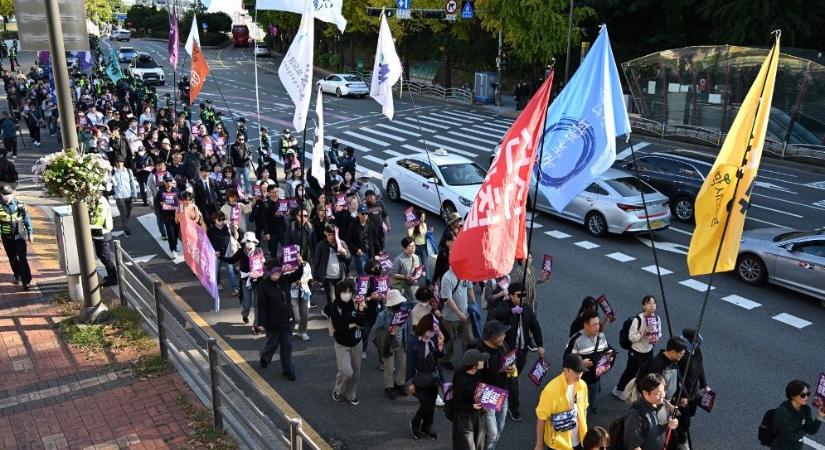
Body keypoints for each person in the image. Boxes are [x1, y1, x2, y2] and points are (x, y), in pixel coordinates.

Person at [491, 282, 545, 422]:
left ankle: (503, 388)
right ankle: (513, 409)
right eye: (519, 296)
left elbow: (535, 326)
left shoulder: (526, 309)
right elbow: (495, 315)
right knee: (513, 380)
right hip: (508, 352)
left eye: (524, 295)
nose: (522, 298)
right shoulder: (505, 307)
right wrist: (511, 312)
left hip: (522, 351)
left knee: (511, 378)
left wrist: (540, 345)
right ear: (510, 295)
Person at [257, 258, 305, 381]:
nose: (276, 275)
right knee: (272, 344)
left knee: (287, 347)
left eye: (278, 272)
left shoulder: (285, 280)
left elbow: (297, 274)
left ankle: (288, 370)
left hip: (286, 321)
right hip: (272, 323)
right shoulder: (263, 285)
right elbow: (261, 306)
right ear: (268, 272)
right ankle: (265, 357)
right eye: (273, 273)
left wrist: (300, 265)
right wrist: (261, 323)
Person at [533, 353, 589, 450]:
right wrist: (539, 445)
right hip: (558, 444)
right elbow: (541, 419)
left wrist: (584, 429)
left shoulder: (582, 385)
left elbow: (584, 409)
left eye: (581, 372)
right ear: (566, 369)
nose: (579, 375)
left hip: (579, 440)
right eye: (576, 372)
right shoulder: (550, 391)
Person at [475, 320, 513, 450]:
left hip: (502, 393)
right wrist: (479, 400)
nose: (504, 336)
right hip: (487, 395)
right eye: (501, 334)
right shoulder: (479, 352)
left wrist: (510, 368)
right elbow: (476, 377)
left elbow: (507, 361)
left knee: (500, 428)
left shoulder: (502, 346)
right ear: (492, 337)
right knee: (493, 433)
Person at [615, 295, 661, 400]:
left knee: (647, 372)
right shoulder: (638, 319)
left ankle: (641, 392)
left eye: (654, 303)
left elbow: (660, 332)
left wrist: (656, 336)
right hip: (636, 351)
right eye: (649, 303)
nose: (652, 305)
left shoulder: (656, 318)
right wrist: (643, 333)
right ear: (643, 306)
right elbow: (631, 337)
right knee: (631, 372)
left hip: (649, 350)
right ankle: (619, 389)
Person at [406, 313, 443, 440]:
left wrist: (440, 346)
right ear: (423, 327)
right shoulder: (414, 342)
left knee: (431, 405)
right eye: (430, 330)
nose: (432, 333)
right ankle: (415, 423)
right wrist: (410, 382)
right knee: (425, 404)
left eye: (434, 330)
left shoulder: (433, 340)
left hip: (433, 379)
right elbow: (409, 364)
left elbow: (437, 360)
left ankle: (427, 428)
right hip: (419, 379)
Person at [565, 310, 609, 414]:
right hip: (579, 380)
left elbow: (606, 350)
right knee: (577, 406)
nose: (597, 327)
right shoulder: (576, 340)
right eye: (594, 324)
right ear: (585, 325)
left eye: (598, 323)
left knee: (591, 400)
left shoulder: (601, 337)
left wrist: (608, 358)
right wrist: (580, 363)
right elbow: (566, 359)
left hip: (595, 379)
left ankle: (589, 409)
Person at [331, 278, 366, 406]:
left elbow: (361, 324)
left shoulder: (355, 304)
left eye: (349, 292)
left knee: (356, 372)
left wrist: (361, 310)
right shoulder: (335, 307)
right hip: (342, 344)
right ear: (338, 293)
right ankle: (338, 388)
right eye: (344, 292)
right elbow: (339, 328)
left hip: (357, 342)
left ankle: (351, 393)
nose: (347, 294)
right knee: (346, 371)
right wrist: (352, 324)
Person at [222, 232, 266, 330]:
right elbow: (232, 260)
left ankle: (256, 325)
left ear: (255, 242)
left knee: (257, 303)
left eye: (252, 241)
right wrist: (220, 256)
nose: (250, 243)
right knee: (247, 303)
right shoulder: (241, 252)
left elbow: (263, 265)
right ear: (244, 242)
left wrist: (263, 268)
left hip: (257, 280)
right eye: (247, 241)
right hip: (245, 280)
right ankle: (244, 314)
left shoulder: (259, 251)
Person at [622, 373, 678, 450]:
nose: (662, 396)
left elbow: (660, 427)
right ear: (645, 393)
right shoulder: (635, 414)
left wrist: (670, 424)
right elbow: (633, 445)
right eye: (658, 393)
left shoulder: (662, 404)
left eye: (663, 391)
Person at [674, 328, 708, 450]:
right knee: (683, 418)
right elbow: (678, 377)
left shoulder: (697, 351)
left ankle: (681, 433)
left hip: (694, 390)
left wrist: (704, 384)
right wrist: (683, 395)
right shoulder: (681, 355)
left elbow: (700, 367)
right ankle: (681, 441)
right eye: (694, 343)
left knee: (690, 414)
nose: (696, 346)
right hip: (682, 393)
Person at [373, 289, 407, 400]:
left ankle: (400, 383)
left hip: (400, 342)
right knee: (389, 368)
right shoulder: (382, 315)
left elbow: (406, 327)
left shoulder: (403, 312)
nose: (400, 305)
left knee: (403, 364)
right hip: (388, 344)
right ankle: (389, 387)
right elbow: (377, 330)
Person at [771, 379, 825, 450]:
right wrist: (804, 430)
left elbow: (811, 430)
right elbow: (789, 436)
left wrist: (820, 415)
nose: (806, 397)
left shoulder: (806, 409)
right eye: (803, 395)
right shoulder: (782, 412)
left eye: (808, 394)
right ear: (792, 395)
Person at [439, 266, 475, 370]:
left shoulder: (466, 272)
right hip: (450, 318)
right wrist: (459, 314)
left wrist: (474, 303)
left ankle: (467, 361)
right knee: (450, 341)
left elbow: (470, 288)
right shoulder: (447, 277)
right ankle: (446, 359)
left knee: (468, 339)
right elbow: (448, 299)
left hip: (465, 315)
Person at [635, 337, 687, 407]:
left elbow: (679, 377)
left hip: (667, 400)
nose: (682, 356)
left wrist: (683, 395)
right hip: (657, 402)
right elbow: (654, 389)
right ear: (673, 352)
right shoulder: (657, 365)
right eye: (681, 354)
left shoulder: (674, 360)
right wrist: (667, 405)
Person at [312, 224, 351, 317]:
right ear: (325, 234)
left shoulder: (341, 243)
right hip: (327, 277)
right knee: (332, 299)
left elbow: (349, 258)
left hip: (340, 276)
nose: (331, 237)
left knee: (339, 298)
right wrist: (315, 277)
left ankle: (326, 310)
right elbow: (316, 262)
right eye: (329, 235)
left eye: (333, 234)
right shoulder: (321, 245)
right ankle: (334, 318)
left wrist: (344, 253)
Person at [452, 349, 488, 450]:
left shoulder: (477, 373)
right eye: (481, 360)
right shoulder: (461, 381)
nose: (483, 362)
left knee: (479, 444)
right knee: (467, 446)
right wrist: (471, 406)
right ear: (474, 365)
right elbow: (456, 404)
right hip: (464, 418)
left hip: (477, 415)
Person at [0, 185, 32, 289]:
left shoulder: (20, 205)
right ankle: (17, 275)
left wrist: (30, 233)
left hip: (20, 235)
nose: (7, 196)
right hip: (6, 236)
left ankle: (26, 281)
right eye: (5, 194)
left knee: (22, 258)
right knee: (12, 258)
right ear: (1, 194)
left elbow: (27, 219)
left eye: (9, 194)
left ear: (12, 194)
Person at [207, 211, 240, 295]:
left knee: (231, 271)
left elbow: (236, 238)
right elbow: (208, 242)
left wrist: (235, 230)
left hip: (228, 253)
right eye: (219, 219)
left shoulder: (228, 227)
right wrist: (214, 251)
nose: (221, 221)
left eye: (223, 219)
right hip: (216, 254)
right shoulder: (211, 230)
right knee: (217, 270)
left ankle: (235, 288)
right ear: (214, 220)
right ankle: (218, 283)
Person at [89, 193, 117, 286]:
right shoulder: (98, 200)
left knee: (105, 256)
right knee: (102, 255)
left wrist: (87, 226)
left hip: (102, 232)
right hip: (99, 232)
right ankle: (111, 276)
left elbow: (99, 219)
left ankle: (113, 278)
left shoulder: (101, 202)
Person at [344, 204, 378, 276]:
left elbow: (375, 239)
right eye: (363, 213)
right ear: (358, 214)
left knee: (372, 273)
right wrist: (356, 249)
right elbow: (348, 241)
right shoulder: (353, 226)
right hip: (360, 254)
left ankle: (370, 287)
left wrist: (378, 251)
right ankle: (363, 286)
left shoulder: (371, 225)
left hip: (370, 252)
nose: (365, 215)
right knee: (363, 274)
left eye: (366, 213)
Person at [390, 237, 421, 303]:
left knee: (415, 303)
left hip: (414, 286)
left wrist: (420, 273)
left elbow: (417, 270)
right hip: (403, 288)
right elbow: (392, 274)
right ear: (404, 248)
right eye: (410, 246)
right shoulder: (399, 259)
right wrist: (405, 277)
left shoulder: (416, 257)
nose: (413, 248)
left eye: (414, 246)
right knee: (406, 305)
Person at [155, 175, 180, 257]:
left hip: (175, 215)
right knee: (170, 233)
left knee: (176, 233)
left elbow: (179, 202)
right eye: (167, 181)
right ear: (164, 182)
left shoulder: (176, 190)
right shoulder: (160, 192)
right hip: (166, 216)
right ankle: (172, 249)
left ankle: (175, 246)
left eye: (170, 181)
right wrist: (161, 203)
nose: (169, 183)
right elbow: (156, 203)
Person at [111, 156, 137, 235]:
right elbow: (110, 182)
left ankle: (125, 222)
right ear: (115, 163)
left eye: (121, 162)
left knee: (128, 211)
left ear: (123, 163)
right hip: (119, 195)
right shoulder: (113, 172)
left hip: (128, 194)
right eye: (117, 162)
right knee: (123, 213)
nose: (119, 164)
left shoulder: (128, 171)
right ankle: (126, 228)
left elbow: (132, 182)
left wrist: (135, 194)